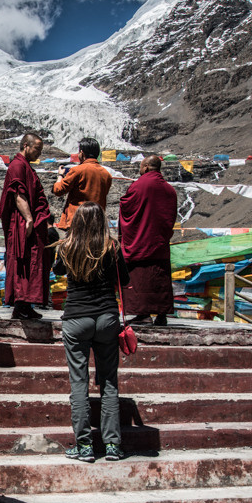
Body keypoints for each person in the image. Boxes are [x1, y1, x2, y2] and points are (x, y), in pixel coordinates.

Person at [53, 202, 128, 462]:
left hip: (76, 319)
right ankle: (112, 445)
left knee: (79, 382)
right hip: (106, 318)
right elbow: (124, 280)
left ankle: (84, 445)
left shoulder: (67, 247)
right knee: (109, 382)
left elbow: (58, 270)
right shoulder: (112, 247)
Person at [118, 155, 177, 326]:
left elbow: (126, 206)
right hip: (159, 243)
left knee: (141, 278)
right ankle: (161, 315)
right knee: (160, 277)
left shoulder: (139, 186)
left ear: (145, 167)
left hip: (140, 242)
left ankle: (143, 314)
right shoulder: (169, 190)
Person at [0, 133, 53, 319]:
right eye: (37, 149)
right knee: (23, 261)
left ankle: (25, 305)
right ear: (25, 146)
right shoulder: (17, 166)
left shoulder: (26, 166)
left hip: (31, 223)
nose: (39, 153)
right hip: (23, 224)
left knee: (32, 262)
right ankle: (21, 305)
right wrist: (29, 218)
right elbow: (18, 194)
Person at [52, 137, 111, 232]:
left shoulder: (77, 170)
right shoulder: (106, 174)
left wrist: (60, 175)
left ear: (82, 153)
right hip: (97, 221)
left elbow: (58, 190)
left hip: (77, 220)